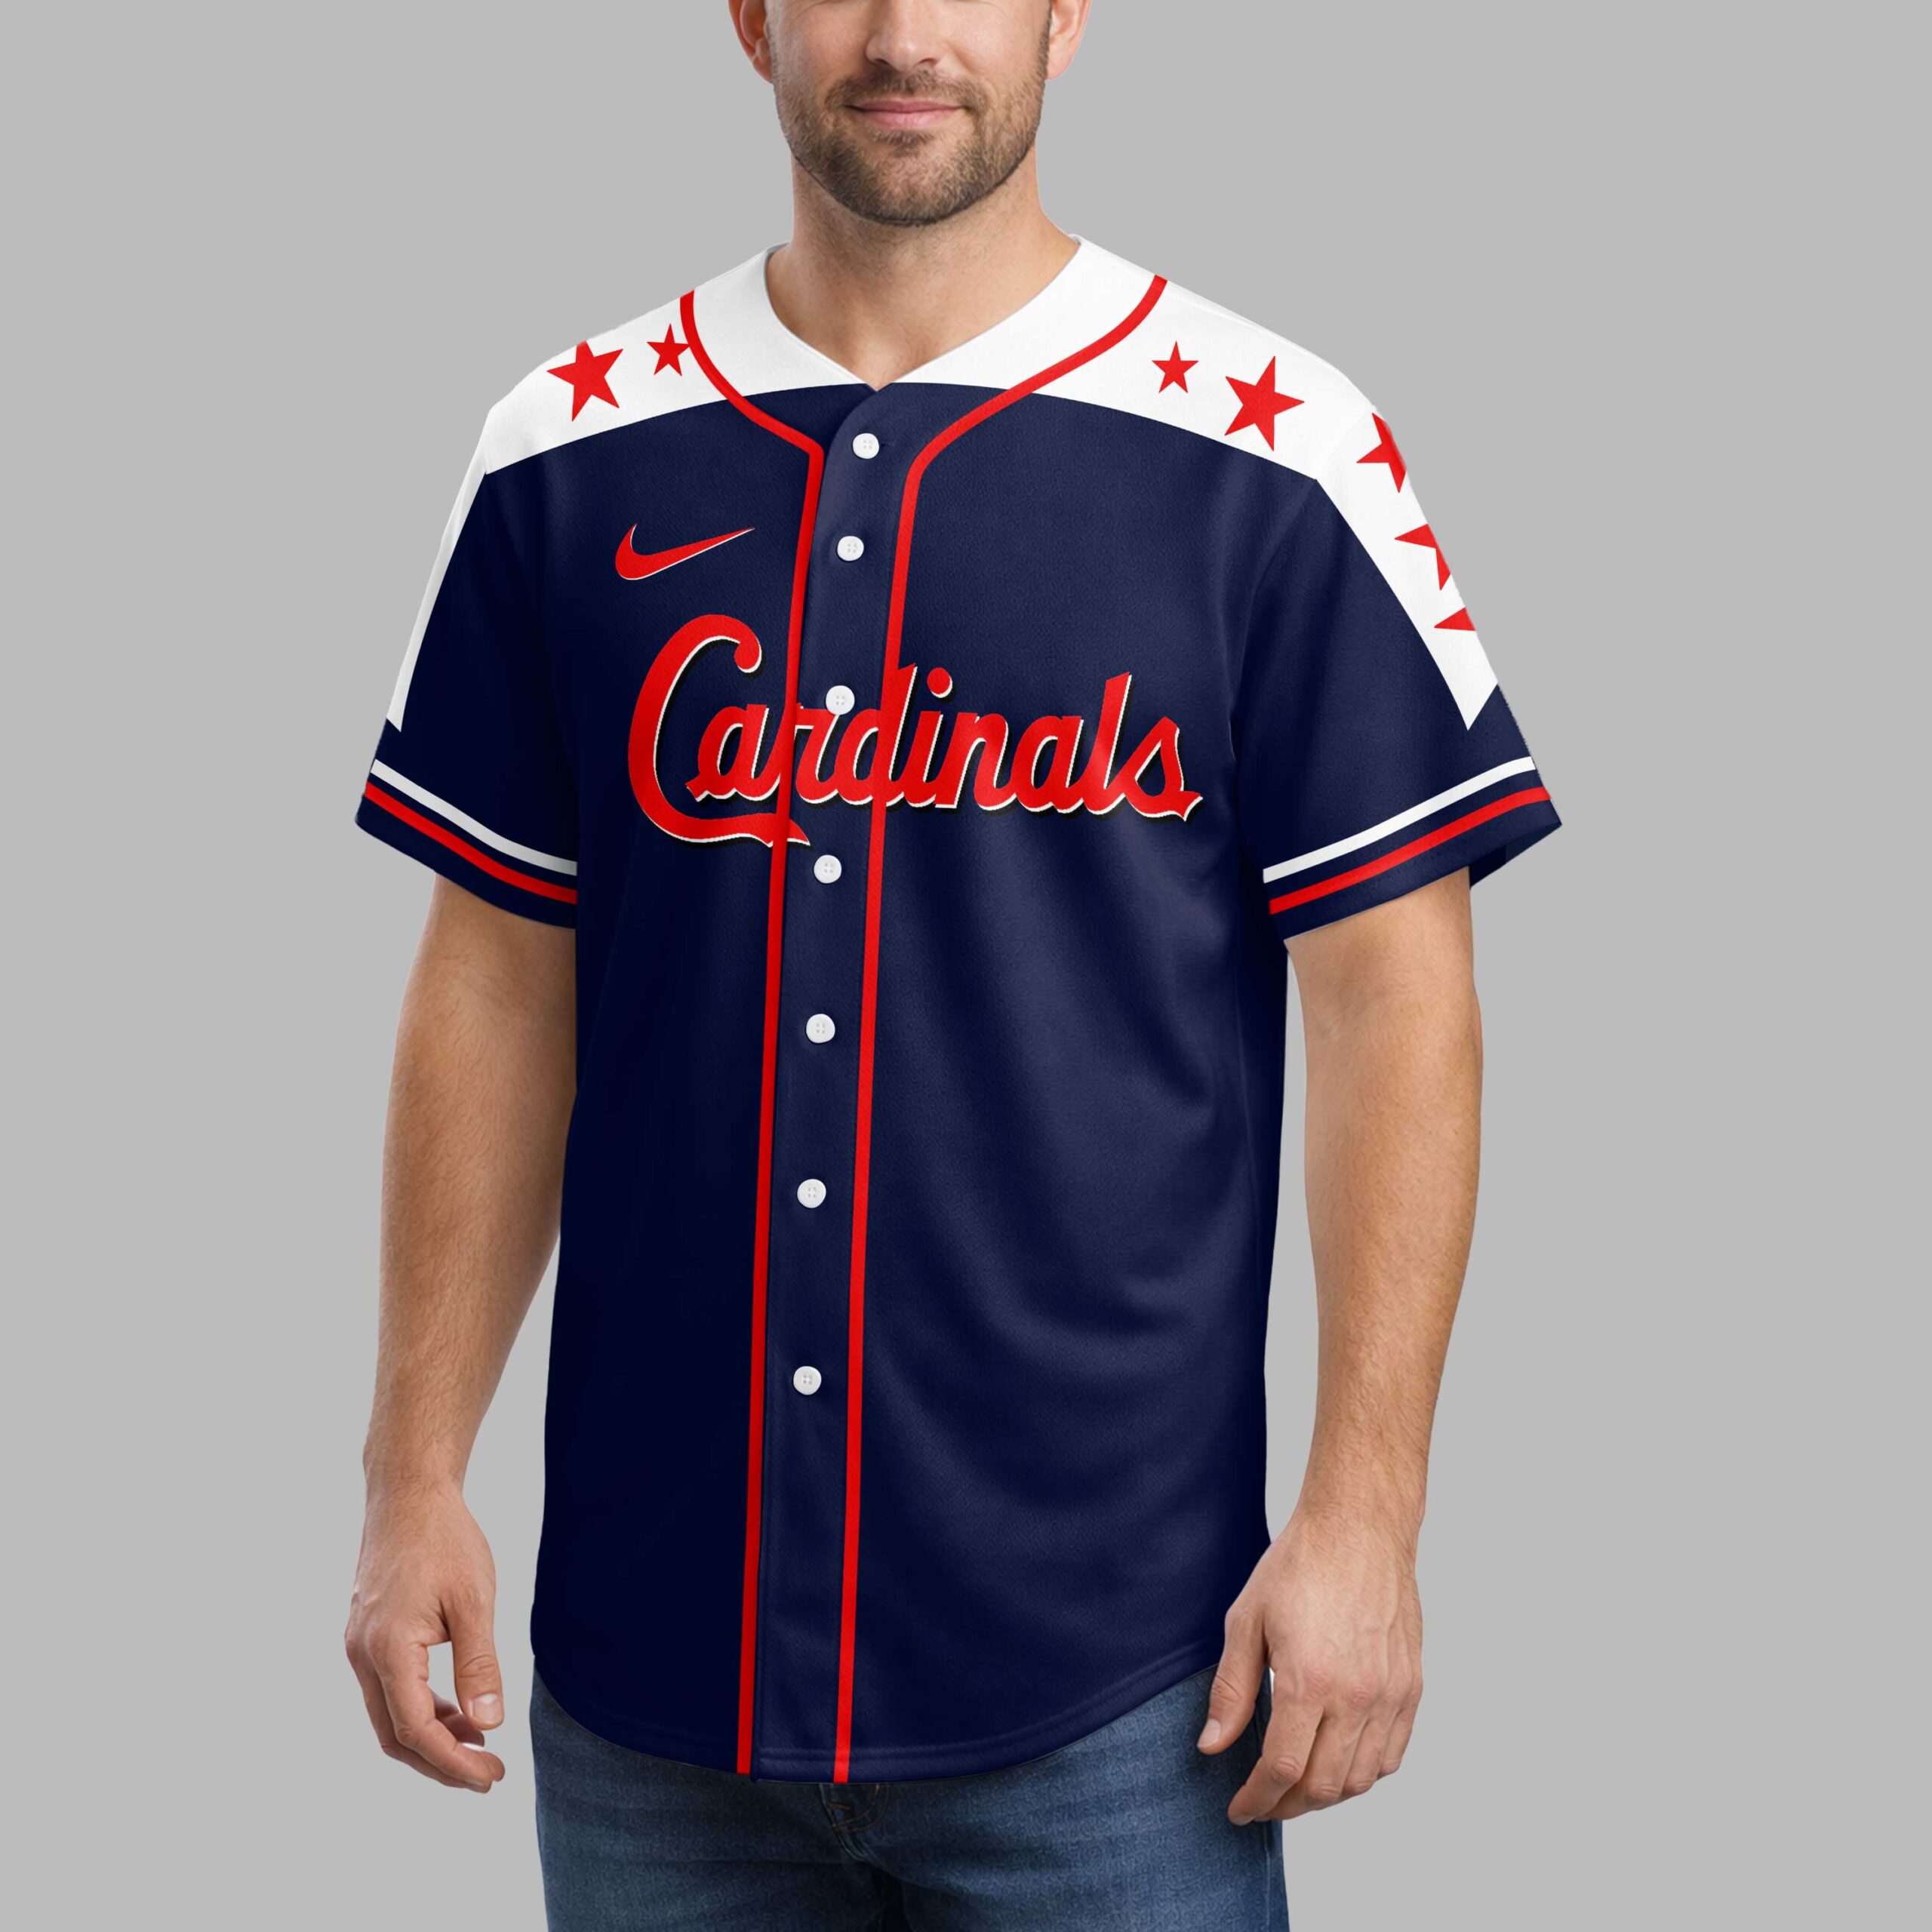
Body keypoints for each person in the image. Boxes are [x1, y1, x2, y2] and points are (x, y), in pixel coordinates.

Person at [343, 2, 1560, 1924]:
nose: (906, 33)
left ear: (1065, 14)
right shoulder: (562, 449)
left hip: (1120, 1678)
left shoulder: (1278, 449)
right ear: (750, 17)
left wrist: (1366, 1513)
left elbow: (1394, 1007)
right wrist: (411, 1472)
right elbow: (495, 989)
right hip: (654, 1675)